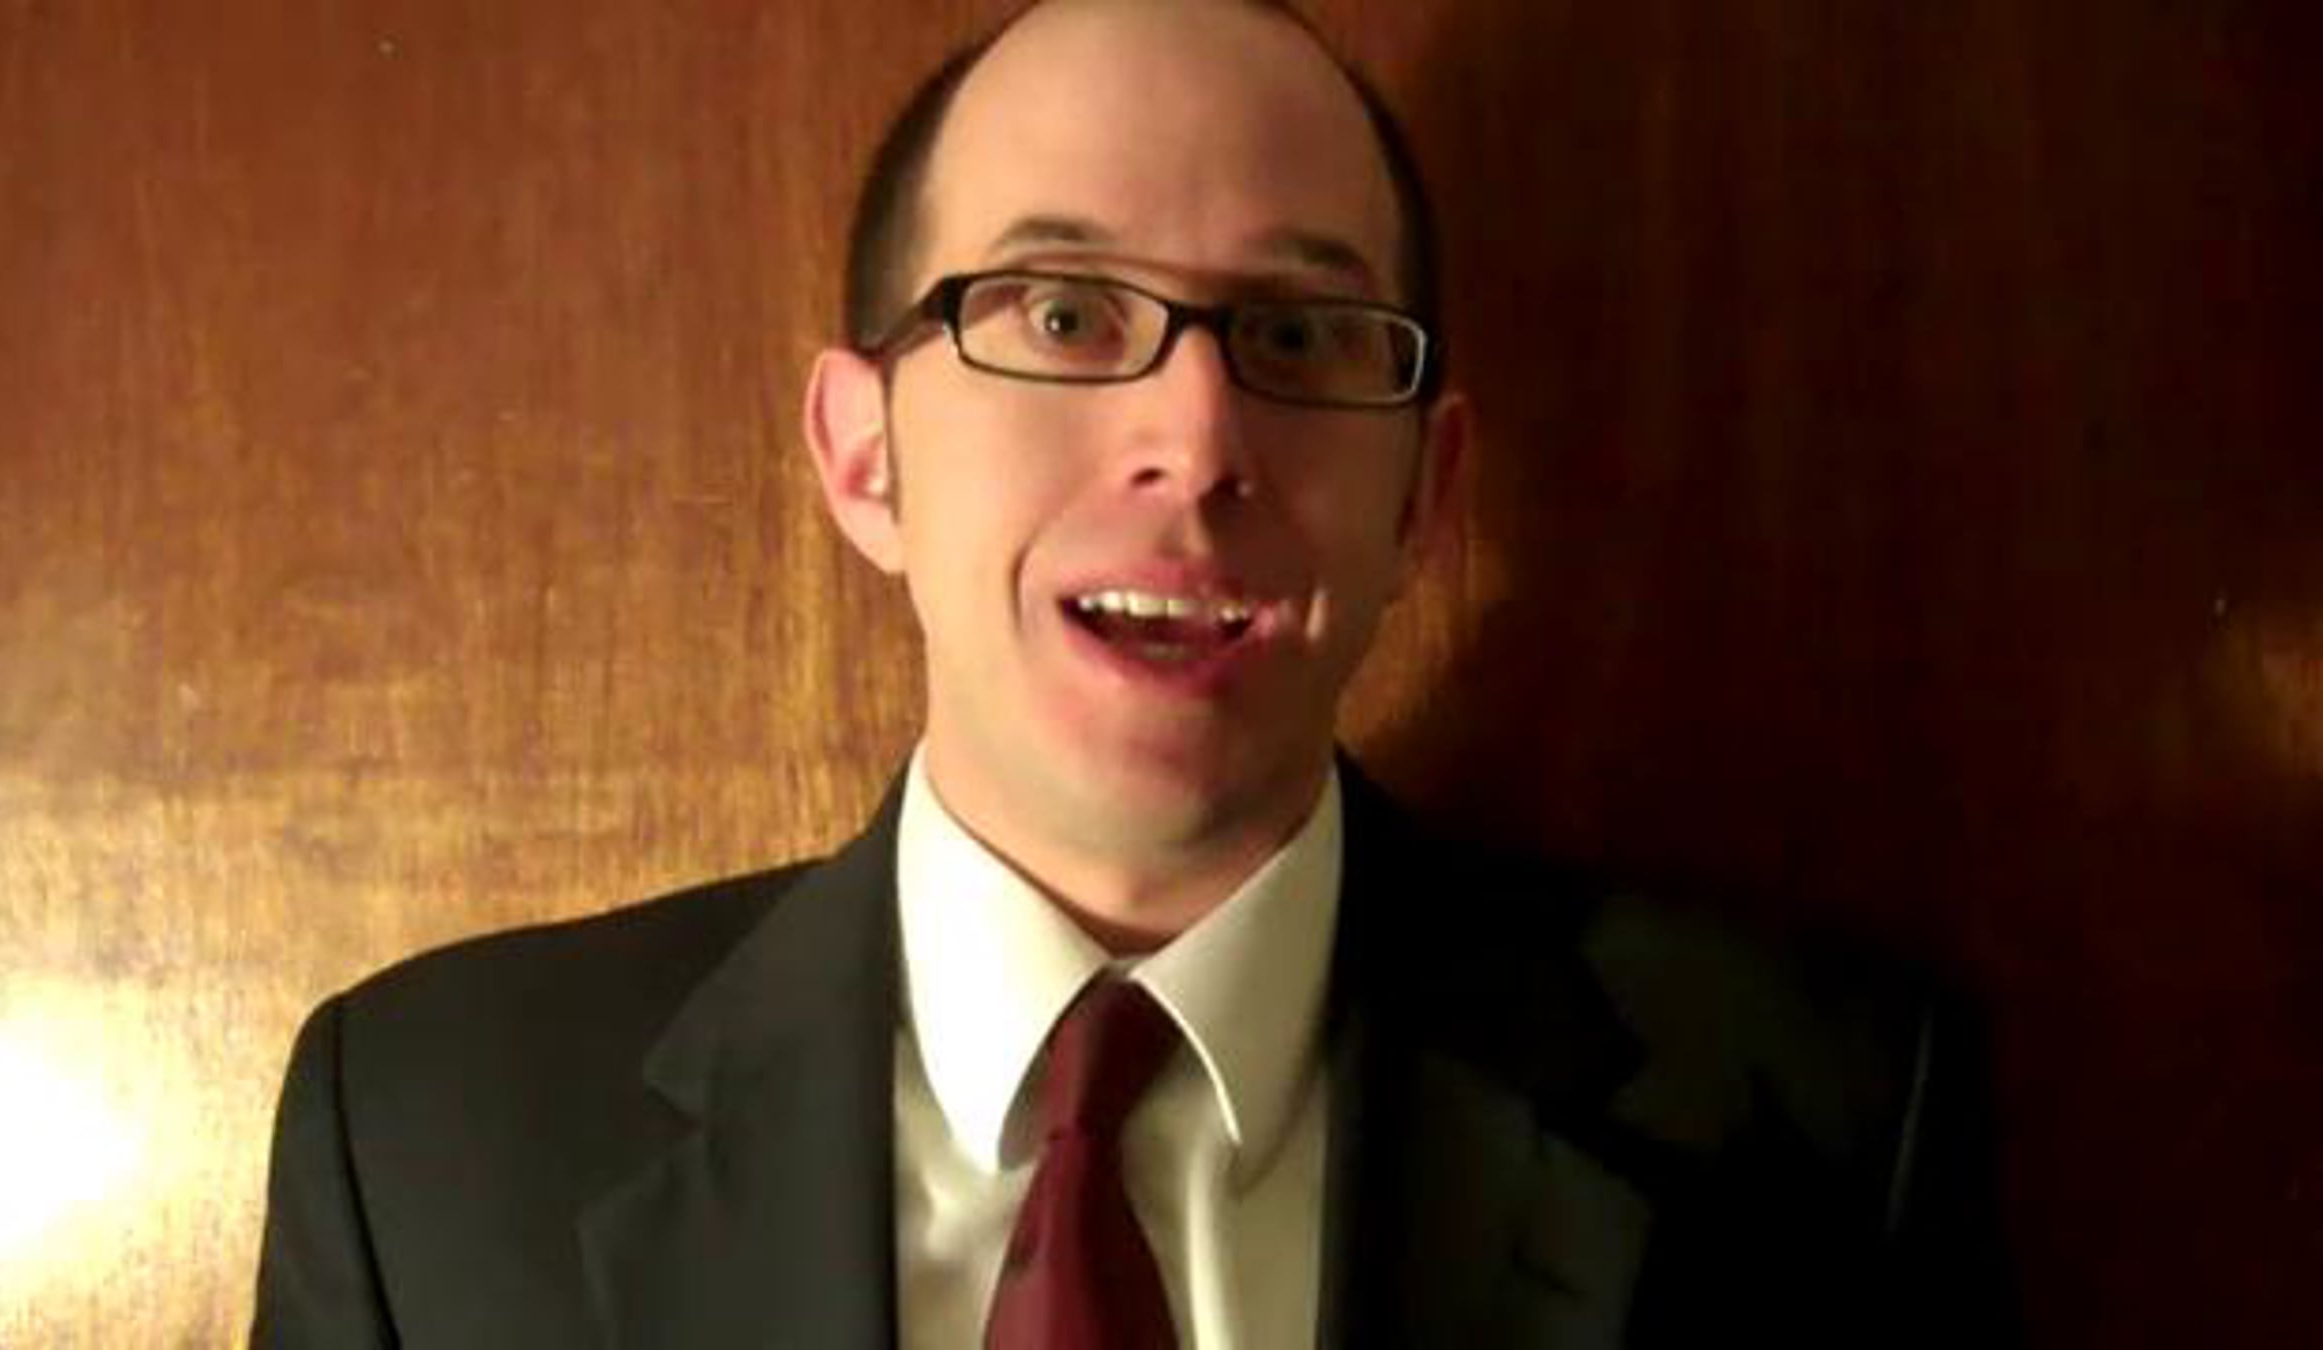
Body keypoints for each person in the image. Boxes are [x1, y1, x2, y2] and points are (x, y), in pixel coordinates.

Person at [252, 0, 2013, 1345]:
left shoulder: (1824, 1122)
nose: (1198, 438)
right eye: (1063, 313)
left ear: (1427, 493)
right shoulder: (424, 1141)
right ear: (864, 453)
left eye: (1301, 333)